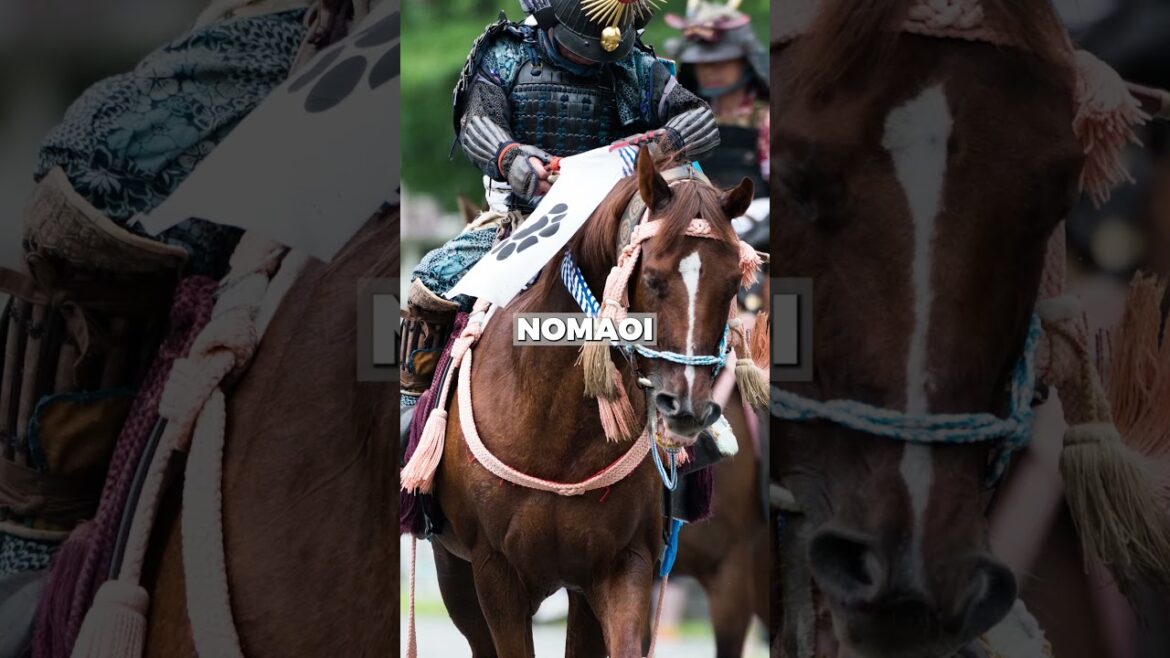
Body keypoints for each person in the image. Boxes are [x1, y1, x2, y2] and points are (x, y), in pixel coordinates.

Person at [400, 0, 721, 405]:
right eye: (581, 46)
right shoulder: (507, 53)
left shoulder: (637, 65)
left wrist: (667, 142)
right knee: (432, 280)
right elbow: (477, 123)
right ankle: (410, 405)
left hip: (614, 230)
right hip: (521, 221)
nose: (593, 58)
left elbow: (700, 118)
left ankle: (699, 409)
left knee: (699, 288)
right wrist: (511, 159)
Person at [665, 0, 768, 194]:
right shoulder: (683, 119)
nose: (710, 71)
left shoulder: (766, 118)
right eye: (702, 64)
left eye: (721, 63)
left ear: (745, 62)